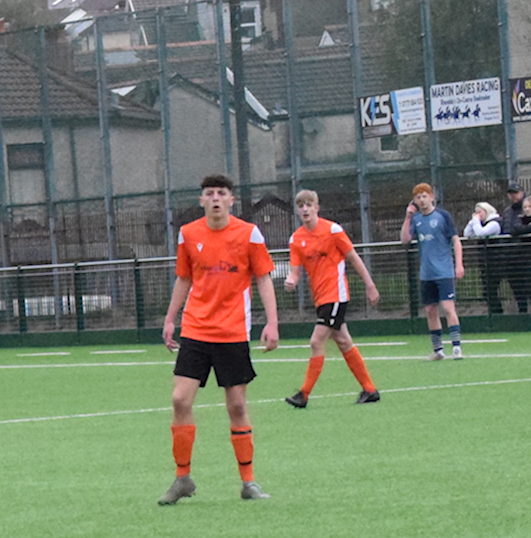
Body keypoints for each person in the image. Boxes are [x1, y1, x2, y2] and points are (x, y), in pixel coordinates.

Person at [159, 174, 279, 506]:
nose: (215, 198)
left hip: (232, 331)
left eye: (221, 193)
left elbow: (263, 278)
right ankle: (182, 478)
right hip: (195, 329)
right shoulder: (188, 234)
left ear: (231, 200)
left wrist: (272, 322)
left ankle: (248, 482)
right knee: (180, 400)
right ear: (201, 200)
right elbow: (184, 278)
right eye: (209, 193)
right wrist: (170, 318)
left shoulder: (249, 234)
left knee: (237, 406)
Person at [280, 190, 381, 408]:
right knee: (343, 341)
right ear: (297, 210)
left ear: (317, 208)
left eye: (309, 205)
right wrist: (290, 281)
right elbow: (295, 272)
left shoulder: (333, 230)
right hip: (320, 298)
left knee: (316, 341)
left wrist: (370, 285)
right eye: (301, 205)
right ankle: (370, 390)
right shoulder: (296, 239)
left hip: (336, 295)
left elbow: (353, 257)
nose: (305, 209)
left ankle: (303, 395)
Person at [400, 184, 464, 359]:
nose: (422, 200)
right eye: (418, 197)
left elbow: (456, 240)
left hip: (444, 271)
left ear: (431, 197)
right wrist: (407, 217)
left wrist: (459, 264)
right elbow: (405, 239)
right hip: (426, 273)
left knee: (448, 307)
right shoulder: (416, 219)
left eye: (424, 196)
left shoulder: (443, 216)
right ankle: (438, 350)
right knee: (430, 310)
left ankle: (456, 347)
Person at [464, 201, 507, 314]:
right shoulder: (481, 223)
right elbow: (467, 234)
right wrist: (473, 221)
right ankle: (495, 312)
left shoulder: (494, 223)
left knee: (491, 289)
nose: (478, 215)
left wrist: (476, 222)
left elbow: (481, 233)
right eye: (476, 212)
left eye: (480, 212)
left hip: (496, 262)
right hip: (486, 262)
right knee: (487, 291)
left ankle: (498, 313)